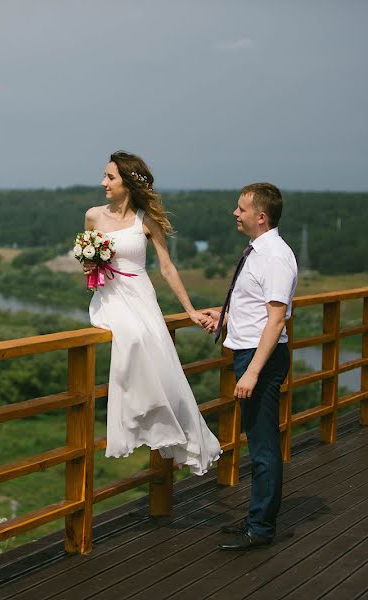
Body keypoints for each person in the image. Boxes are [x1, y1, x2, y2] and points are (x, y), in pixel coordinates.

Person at [83, 150, 221, 474]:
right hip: (110, 297)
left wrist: (189, 311)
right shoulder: (93, 215)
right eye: (105, 175)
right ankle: (135, 417)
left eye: (110, 177)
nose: (103, 182)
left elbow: (167, 268)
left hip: (142, 297)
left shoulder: (147, 220)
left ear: (127, 183)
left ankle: (170, 422)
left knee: (160, 357)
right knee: (130, 338)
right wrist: (90, 266)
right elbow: (89, 270)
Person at [203, 182, 298, 551]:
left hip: (261, 359)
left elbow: (276, 321)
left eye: (241, 208)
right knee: (258, 442)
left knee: (263, 446)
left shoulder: (275, 256)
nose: (235, 213)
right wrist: (224, 317)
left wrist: (253, 372)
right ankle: (256, 515)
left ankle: (260, 528)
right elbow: (256, 308)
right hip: (250, 350)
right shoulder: (259, 252)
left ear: (261, 216)